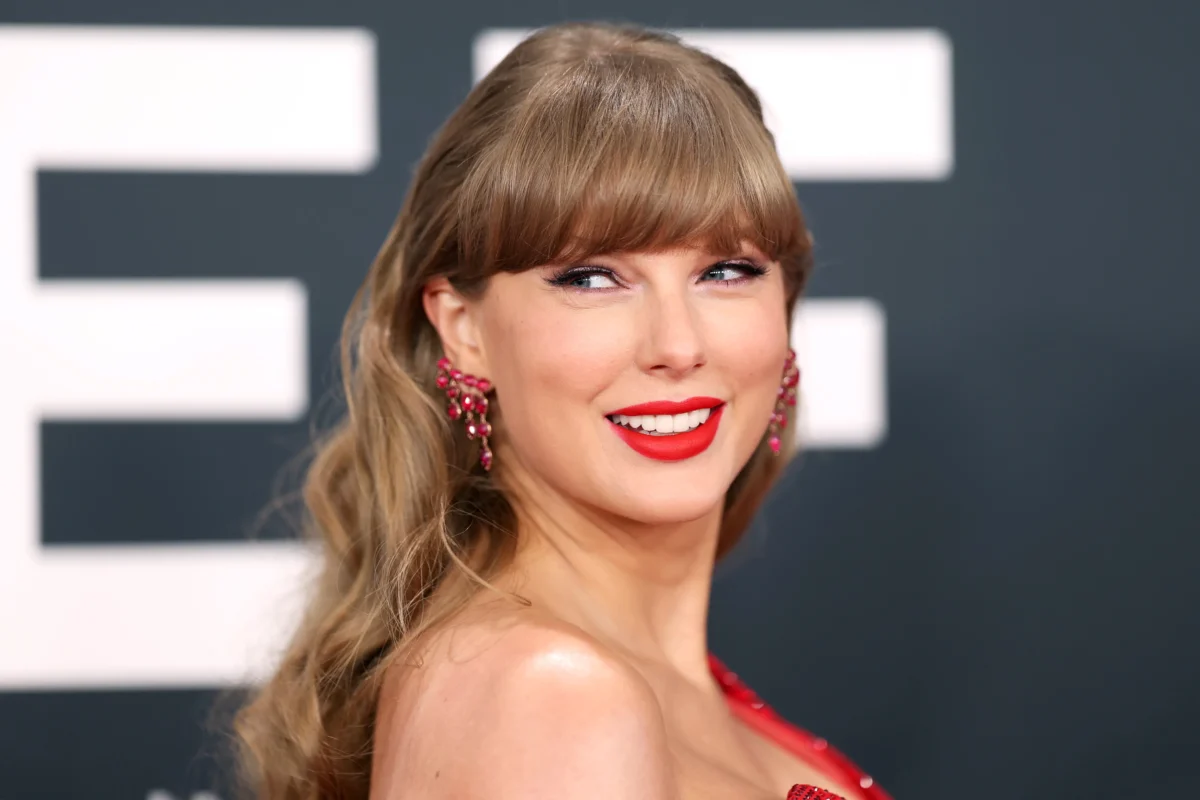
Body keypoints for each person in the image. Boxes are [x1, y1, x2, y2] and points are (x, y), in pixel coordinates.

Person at [233, 20, 890, 800]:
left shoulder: (604, 677)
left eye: (726, 269)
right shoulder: (550, 698)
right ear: (464, 328)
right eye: (591, 278)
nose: (677, 345)